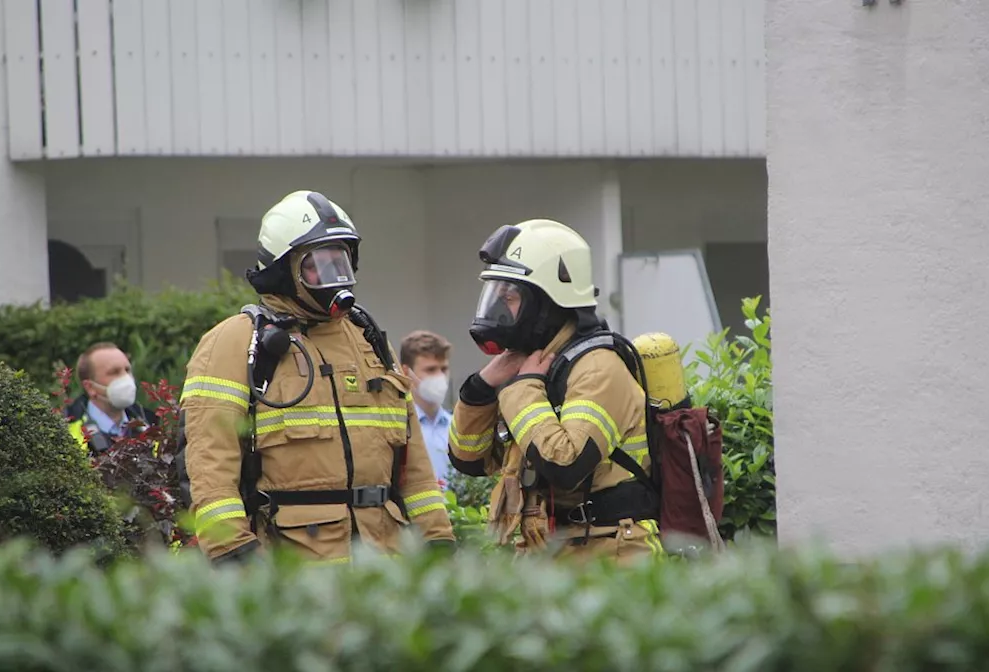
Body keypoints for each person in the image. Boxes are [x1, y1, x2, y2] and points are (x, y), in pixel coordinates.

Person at [179, 190, 455, 566]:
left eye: (341, 261)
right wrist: (235, 556)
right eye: (318, 264)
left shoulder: (369, 341)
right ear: (283, 270)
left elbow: (415, 465)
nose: (335, 276)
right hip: (295, 572)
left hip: (386, 568)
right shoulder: (234, 343)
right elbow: (211, 469)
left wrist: (437, 539)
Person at [447, 218, 663, 561]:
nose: (499, 308)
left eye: (511, 295)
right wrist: (481, 388)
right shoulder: (535, 365)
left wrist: (522, 389)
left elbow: (565, 465)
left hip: (611, 553)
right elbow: (468, 459)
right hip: (549, 548)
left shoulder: (598, 367)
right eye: (496, 293)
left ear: (547, 303)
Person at [65, 342, 156, 454]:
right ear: (90, 387)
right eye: (114, 372)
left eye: (127, 370)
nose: (126, 378)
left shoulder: (150, 424)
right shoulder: (67, 431)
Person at [399, 330, 454, 482]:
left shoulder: (458, 427)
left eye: (443, 369)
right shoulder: (399, 428)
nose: (440, 376)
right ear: (406, 372)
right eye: (431, 369)